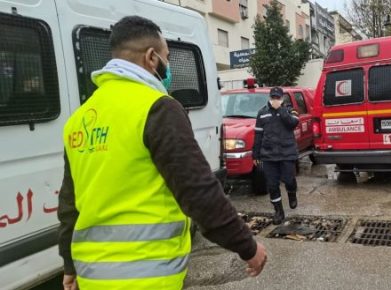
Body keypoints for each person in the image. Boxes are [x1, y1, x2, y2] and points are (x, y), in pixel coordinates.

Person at [58, 16, 266, 290]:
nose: (169, 67)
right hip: (149, 278)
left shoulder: (80, 118)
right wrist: (248, 247)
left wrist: (70, 265)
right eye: (167, 56)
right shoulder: (157, 108)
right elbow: (198, 191)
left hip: (92, 278)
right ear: (151, 57)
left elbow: (69, 205)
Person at [252, 87, 299, 225]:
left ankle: (292, 194)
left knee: (289, 180)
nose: (275, 100)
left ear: (282, 98)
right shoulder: (262, 113)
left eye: (278, 98)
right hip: (268, 155)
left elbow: (292, 124)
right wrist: (255, 155)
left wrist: (281, 110)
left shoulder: (290, 110)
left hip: (287, 153)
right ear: (269, 98)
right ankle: (279, 211)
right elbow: (258, 135)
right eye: (273, 98)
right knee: (272, 185)